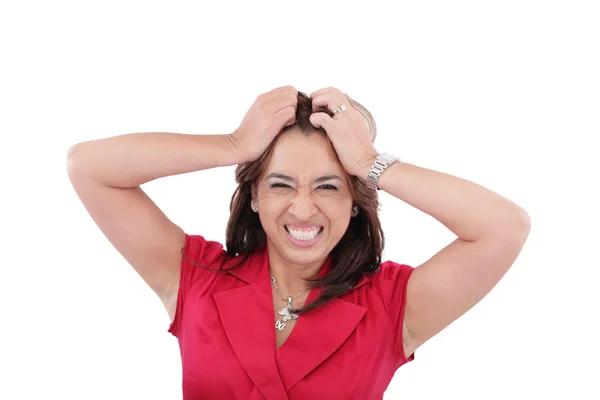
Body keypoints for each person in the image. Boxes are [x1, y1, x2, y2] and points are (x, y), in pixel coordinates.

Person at [67, 85, 531, 399]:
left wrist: (371, 161)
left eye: (328, 186)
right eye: (281, 184)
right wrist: (232, 145)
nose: (303, 208)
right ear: (253, 195)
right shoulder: (196, 278)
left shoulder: (391, 306)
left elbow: (504, 227)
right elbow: (89, 166)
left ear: (355, 201)